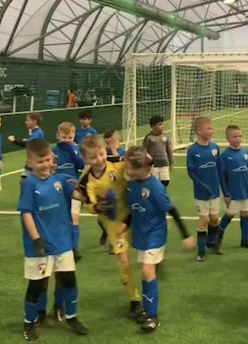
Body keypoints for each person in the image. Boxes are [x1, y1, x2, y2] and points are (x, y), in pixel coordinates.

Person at [18, 139, 88, 341]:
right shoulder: (29, 183)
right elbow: (27, 214)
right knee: (36, 284)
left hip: (62, 242)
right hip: (40, 246)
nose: (45, 165)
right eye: (40, 162)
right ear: (30, 163)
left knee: (69, 280)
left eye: (47, 160)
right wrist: (36, 240)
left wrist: (84, 191)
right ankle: (29, 323)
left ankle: (71, 316)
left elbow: (78, 195)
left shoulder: (60, 180)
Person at [123, 146, 195, 331]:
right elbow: (134, 208)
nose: (126, 170)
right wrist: (125, 223)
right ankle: (147, 310)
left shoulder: (155, 187)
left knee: (147, 272)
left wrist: (185, 235)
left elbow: (172, 210)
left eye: (129, 167)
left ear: (142, 168)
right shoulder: (131, 185)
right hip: (140, 234)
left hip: (154, 234)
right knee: (144, 272)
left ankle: (152, 315)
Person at [77, 135, 144, 320]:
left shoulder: (117, 163)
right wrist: (96, 207)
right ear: (85, 160)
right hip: (115, 225)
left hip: (134, 215)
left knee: (146, 257)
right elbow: (88, 204)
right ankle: (134, 299)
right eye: (93, 158)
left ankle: (149, 292)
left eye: (100, 154)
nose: (99, 159)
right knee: (124, 261)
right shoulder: (86, 180)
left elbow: (137, 167)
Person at [186, 116, 228, 261]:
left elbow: (220, 170)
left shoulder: (215, 148)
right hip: (201, 193)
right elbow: (191, 172)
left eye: (212, 128)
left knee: (215, 220)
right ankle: (201, 251)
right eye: (208, 128)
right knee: (203, 220)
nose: (212, 131)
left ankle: (211, 243)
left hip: (214, 192)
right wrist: (203, 188)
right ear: (199, 131)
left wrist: (225, 191)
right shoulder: (193, 151)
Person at [215, 125, 248, 251]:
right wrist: (226, 193)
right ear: (228, 139)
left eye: (240, 136)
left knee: (245, 213)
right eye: (235, 136)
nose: (238, 139)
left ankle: (245, 239)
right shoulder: (225, 156)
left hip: (245, 190)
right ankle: (217, 238)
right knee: (229, 215)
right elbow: (223, 177)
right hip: (233, 192)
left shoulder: (246, 153)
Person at [52, 122, 85, 261]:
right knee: (61, 219)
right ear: (57, 136)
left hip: (74, 188)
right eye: (64, 137)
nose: (67, 140)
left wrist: (72, 153)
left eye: (70, 137)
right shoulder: (53, 151)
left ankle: (74, 248)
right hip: (58, 189)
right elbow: (51, 169)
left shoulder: (77, 149)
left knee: (74, 218)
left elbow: (82, 166)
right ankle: (61, 245)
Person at [8, 112, 44, 181]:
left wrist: (13, 140)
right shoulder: (35, 132)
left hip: (35, 163)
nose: (26, 122)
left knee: (26, 182)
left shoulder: (38, 133)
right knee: (23, 181)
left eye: (28, 120)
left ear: (34, 122)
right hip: (31, 162)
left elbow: (27, 144)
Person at [142, 115, 174, 188]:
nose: (162, 126)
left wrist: (171, 163)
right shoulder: (149, 138)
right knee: (154, 184)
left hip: (164, 163)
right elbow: (144, 151)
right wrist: (145, 163)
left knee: (165, 182)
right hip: (154, 165)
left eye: (162, 124)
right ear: (153, 126)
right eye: (159, 124)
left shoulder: (165, 137)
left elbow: (169, 150)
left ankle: (162, 196)